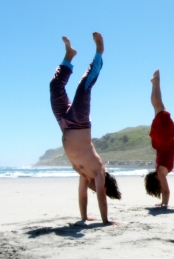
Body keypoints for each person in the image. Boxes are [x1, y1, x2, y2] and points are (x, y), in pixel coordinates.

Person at [50, 32, 121, 225]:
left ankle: (69, 56)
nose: (92, 188)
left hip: (64, 125)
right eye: (96, 187)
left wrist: (84, 217)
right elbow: (100, 196)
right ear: (102, 185)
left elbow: (82, 196)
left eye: (92, 187)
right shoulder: (98, 170)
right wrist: (105, 220)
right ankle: (99, 52)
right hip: (80, 122)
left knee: (55, 86)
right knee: (84, 86)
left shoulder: (84, 174)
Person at [144, 70, 174, 207]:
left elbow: (166, 190)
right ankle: (156, 83)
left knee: (158, 107)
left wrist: (164, 203)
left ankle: (156, 83)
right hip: (163, 138)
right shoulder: (160, 171)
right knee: (158, 106)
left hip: (166, 138)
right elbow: (166, 190)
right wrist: (164, 203)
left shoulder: (162, 171)